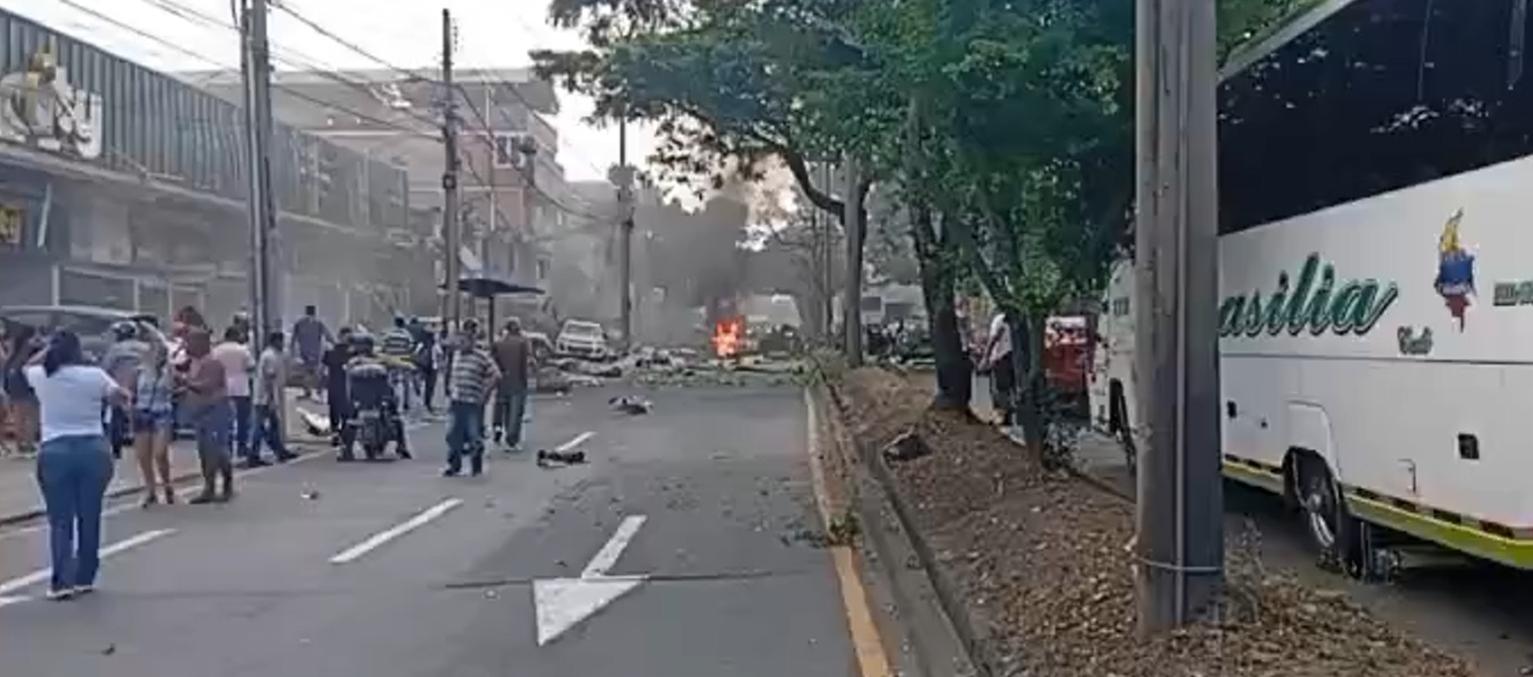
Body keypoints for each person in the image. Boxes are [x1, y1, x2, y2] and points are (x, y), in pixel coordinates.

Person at [24, 330, 128, 600]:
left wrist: (46, 350)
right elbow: (121, 396)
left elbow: (24, 368)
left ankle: (62, 582)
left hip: (55, 448)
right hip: (93, 447)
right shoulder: (94, 376)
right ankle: (85, 576)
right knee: (89, 515)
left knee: (60, 519)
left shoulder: (42, 376)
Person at [179, 329, 234, 503]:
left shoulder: (213, 363)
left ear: (202, 344)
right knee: (204, 452)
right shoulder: (194, 362)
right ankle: (209, 487)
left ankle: (225, 484)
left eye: (190, 342)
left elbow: (207, 386)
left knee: (216, 451)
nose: (187, 346)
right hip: (201, 413)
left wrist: (185, 382)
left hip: (215, 412)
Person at [341, 333, 411, 461]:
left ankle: (347, 450)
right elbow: (399, 364)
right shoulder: (376, 359)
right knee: (395, 417)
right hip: (375, 397)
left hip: (366, 399)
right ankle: (402, 446)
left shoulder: (354, 361)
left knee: (351, 419)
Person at [444, 320, 499, 477]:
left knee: (474, 434)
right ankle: (454, 465)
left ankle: (476, 465)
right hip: (457, 401)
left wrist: (485, 394)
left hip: (473, 402)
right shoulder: (456, 356)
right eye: (460, 341)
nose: (461, 344)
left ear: (472, 342)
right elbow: (451, 375)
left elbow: (496, 375)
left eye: (464, 341)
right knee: (453, 435)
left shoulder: (481, 357)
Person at [131, 336, 176, 507]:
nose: (157, 356)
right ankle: (150, 490)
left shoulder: (168, 371)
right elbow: (132, 391)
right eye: (154, 353)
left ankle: (167, 484)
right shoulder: (139, 371)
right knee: (143, 455)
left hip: (162, 412)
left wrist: (166, 373)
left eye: (161, 354)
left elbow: (172, 388)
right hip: (142, 412)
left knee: (160, 453)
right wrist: (130, 409)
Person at [249, 330, 296, 467]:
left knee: (273, 425)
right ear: (276, 341)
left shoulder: (277, 355)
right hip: (265, 397)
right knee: (259, 427)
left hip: (270, 396)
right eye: (281, 341)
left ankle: (279, 450)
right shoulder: (269, 356)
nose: (283, 344)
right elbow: (270, 378)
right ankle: (254, 454)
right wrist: (270, 399)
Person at [211, 326, 255, 462]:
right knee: (243, 420)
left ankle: (226, 447)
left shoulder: (216, 351)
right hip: (241, 387)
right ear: (236, 336)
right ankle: (241, 447)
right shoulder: (242, 350)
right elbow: (251, 366)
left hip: (223, 387)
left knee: (224, 420)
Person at [490, 318, 533, 451]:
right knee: (515, 412)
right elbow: (524, 365)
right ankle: (512, 440)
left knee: (501, 408)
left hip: (502, 381)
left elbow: (492, 361)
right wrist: (525, 382)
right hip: (517, 382)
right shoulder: (522, 343)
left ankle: (497, 429)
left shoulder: (498, 343)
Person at [3, 324, 43, 457]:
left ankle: (22, 444)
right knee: (30, 414)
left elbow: (7, 362)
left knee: (20, 413)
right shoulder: (29, 346)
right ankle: (28, 445)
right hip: (24, 379)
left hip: (14, 377)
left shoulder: (17, 347)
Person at [290, 305, 332, 401]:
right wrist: (336, 344)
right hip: (315, 351)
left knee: (305, 372)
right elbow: (327, 335)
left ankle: (308, 391)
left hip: (304, 351)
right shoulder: (318, 323)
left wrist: (291, 349)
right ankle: (318, 391)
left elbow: (293, 337)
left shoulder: (300, 323)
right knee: (317, 372)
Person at [982, 312, 1015, 426]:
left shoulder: (1000, 319)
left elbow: (994, 338)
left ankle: (1002, 416)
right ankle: (1008, 415)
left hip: (1001, 357)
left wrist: (985, 358)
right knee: (1009, 388)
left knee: (1000, 389)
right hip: (1014, 356)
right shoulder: (1019, 319)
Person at [323, 327, 354, 445]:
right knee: (335, 411)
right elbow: (324, 369)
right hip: (336, 385)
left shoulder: (352, 352)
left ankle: (342, 433)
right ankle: (336, 434)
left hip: (344, 386)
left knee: (343, 411)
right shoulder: (333, 351)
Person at [380, 316, 416, 414]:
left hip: (391, 361)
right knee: (406, 382)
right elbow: (411, 347)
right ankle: (405, 404)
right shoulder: (407, 335)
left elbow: (383, 346)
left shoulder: (389, 334)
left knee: (389, 381)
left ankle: (389, 400)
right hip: (404, 361)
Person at [414, 324, 439, 414]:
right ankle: (426, 404)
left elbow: (415, 355)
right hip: (431, 367)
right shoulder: (434, 345)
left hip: (423, 367)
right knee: (429, 387)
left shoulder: (421, 344)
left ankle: (425, 404)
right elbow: (440, 355)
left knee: (423, 387)